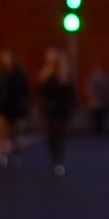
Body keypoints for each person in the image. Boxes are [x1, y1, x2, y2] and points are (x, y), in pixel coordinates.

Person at [37, 48, 76, 177]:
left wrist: (72, 108)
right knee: (50, 136)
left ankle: (59, 162)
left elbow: (70, 93)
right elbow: (39, 90)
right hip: (48, 110)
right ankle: (55, 159)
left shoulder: (64, 74)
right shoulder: (45, 73)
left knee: (59, 135)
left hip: (61, 109)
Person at [0, 50, 30, 169]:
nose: (6, 61)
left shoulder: (19, 74)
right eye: (4, 58)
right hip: (1, 107)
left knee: (14, 134)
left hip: (15, 107)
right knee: (0, 133)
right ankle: (0, 155)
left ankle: (15, 153)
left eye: (8, 58)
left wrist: (25, 105)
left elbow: (25, 91)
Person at [86, 66, 109, 134]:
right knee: (99, 117)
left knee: (98, 117)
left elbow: (89, 90)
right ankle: (98, 129)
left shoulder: (93, 79)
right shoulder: (104, 80)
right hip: (98, 101)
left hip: (98, 101)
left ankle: (97, 129)